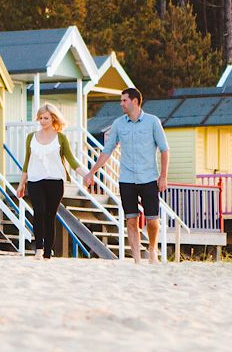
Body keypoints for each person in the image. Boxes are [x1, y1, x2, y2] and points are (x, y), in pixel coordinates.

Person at [85, 86, 170, 262]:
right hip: (127, 179)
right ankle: (137, 259)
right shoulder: (118, 124)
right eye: (121, 100)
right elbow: (107, 150)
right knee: (131, 220)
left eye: (124, 100)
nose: (121, 104)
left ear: (135, 101)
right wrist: (92, 172)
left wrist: (163, 176)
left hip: (148, 178)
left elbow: (164, 149)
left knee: (152, 220)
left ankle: (152, 248)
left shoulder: (153, 122)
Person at [17, 103, 77, 259]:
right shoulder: (31, 137)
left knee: (50, 215)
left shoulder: (61, 138)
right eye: (40, 118)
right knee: (39, 212)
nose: (43, 121)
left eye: (46, 118)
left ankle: (48, 253)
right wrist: (21, 184)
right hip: (35, 180)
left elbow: (71, 160)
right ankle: (39, 248)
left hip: (55, 181)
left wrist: (88, 174)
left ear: (53, 119)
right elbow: (26, 162)